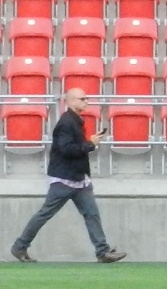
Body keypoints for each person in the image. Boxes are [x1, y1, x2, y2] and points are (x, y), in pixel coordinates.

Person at [10, 89, 126, 264]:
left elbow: (72, 147)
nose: (86, 101)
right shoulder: (66, 123)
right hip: (65, 179)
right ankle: (19, 246)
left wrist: (89, 143)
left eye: (86, 98)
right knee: (45, 214)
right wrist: (90, 144)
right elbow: (66, 149)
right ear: (70, 101)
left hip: (78, 178)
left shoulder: (74, 121)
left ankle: (102, 251)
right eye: (82, 99)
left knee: (91, 214)